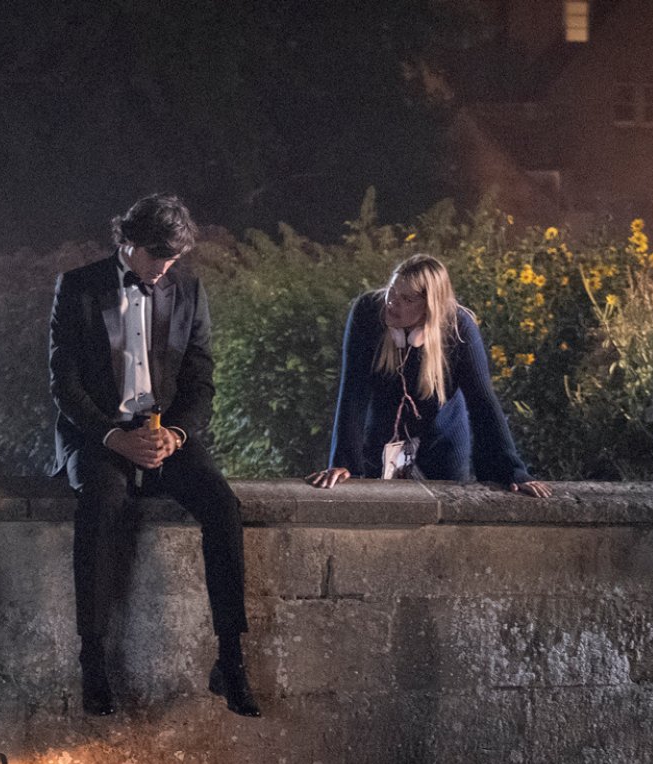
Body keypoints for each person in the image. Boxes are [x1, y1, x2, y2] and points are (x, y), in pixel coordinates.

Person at [48, 194, 260, 718]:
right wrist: (109, 437)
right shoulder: (77, 287)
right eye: (157, 256)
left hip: (164, 432)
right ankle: (92, 657)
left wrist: (179, 436)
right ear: (127, 242)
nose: (165, 268)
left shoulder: (188, 289)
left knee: (222, 506)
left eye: (174, 258)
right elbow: (64, 383)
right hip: (98, 433)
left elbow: (201, 379)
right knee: (100, 504)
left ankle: (230, 656)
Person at [308, 254, 553, 497]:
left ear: (430, 306)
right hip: (384, 441)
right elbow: (353, 392)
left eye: (406, 298)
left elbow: (483, 403)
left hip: (443, 443)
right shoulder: (368, 313)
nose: (392, 302)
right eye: (391, 291)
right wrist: (344, 463)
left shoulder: (459, 328)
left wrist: (512, 471)